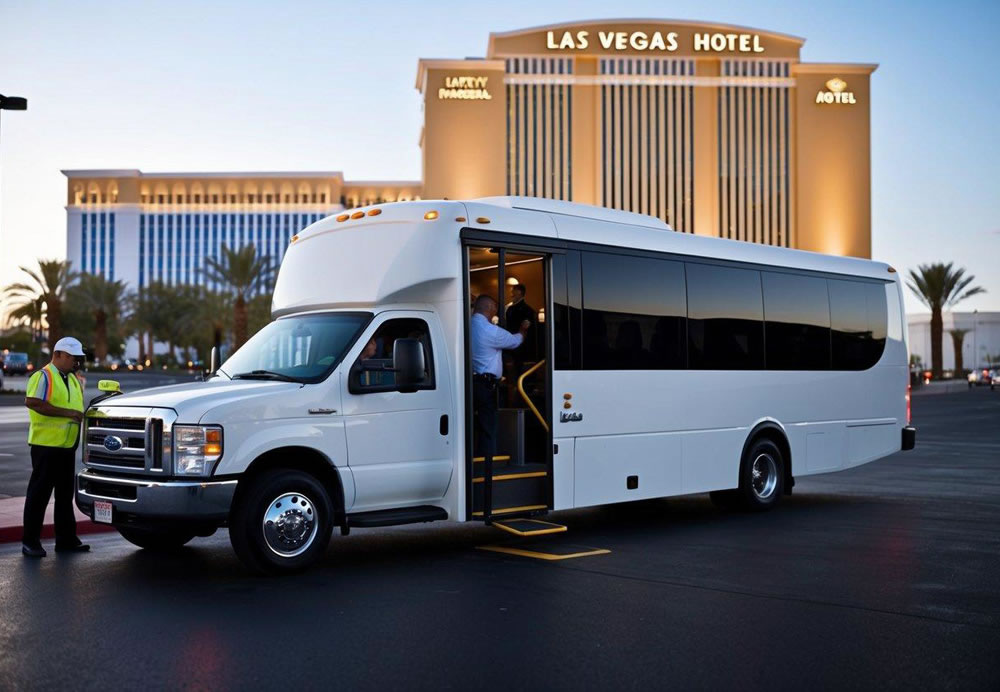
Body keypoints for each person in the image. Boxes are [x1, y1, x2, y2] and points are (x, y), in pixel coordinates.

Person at [21, 337, 90, 557]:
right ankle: (30, 542)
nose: (75, 362)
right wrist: (69, 414)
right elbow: (33, 402)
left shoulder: (73, 379)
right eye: (72, 357)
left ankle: (66, 540)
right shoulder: (43, 376)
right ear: (59, 354)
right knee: (38, 495)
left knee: (64, 495)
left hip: (67, 446)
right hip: (46, 446)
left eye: (77, 358)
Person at [471, 295, 530, 460]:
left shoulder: (464, 325)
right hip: (486, 385)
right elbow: (515, 341)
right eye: (495, 309)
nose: (494, 313)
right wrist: (523, 329)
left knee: (470, 424)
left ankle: (474, 461)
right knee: (487, 427)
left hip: (468, 384)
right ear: (490, 308)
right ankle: (488, 466)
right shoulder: (490, 331)